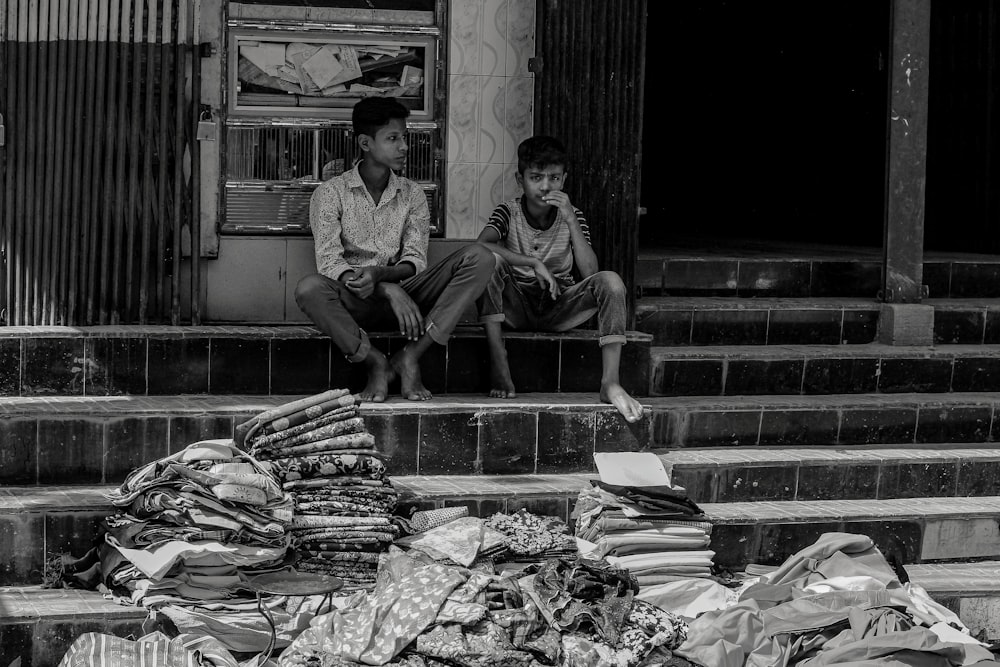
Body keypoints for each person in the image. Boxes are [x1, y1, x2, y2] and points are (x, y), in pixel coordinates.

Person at [295, 96, 495, 403]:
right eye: (393, 138)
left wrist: (386, 278)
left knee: (480, 257)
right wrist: (383, 287)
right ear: (365, 142)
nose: (404, 146)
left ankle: (411, 356)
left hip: (410, 299)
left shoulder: (412, 194)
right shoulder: (330, 193)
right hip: (356, 296)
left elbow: (415, 259)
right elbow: (330, 262)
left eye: (404, 138)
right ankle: (375, 362)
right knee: (309, 289)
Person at [475, 135, 644, 423]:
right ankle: (499, 363)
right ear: (521, 179)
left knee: (611, 282)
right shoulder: (508, 212)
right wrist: (532, 263)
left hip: (559, 307)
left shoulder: (572, 215)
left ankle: (611, 382)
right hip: (515, 307)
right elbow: (480, 246)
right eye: (536, 177)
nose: (545, 186)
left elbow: (590, 272)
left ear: (564, 180)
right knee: (488, 262)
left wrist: (568, 217)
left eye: (554, 178)